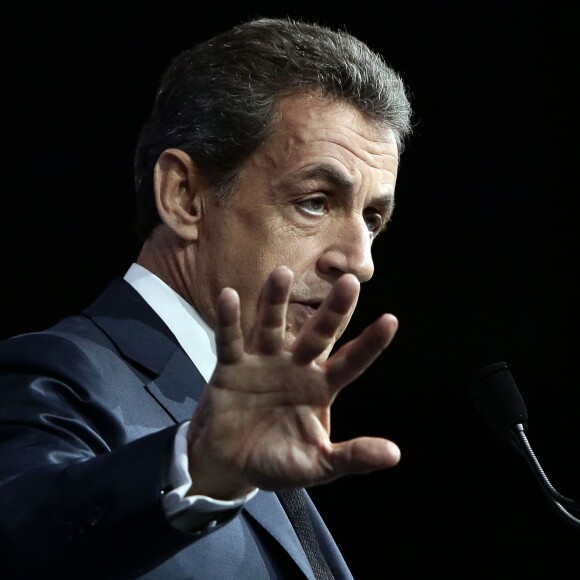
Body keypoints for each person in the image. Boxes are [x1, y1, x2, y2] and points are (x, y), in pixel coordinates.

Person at [0, 15, 413, 580]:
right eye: (314, 201)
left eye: (372, 218)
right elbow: (20, 538)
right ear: (185, 196)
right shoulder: (55, 374)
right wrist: (198, 467)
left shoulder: (266, 435)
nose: (359, 261)